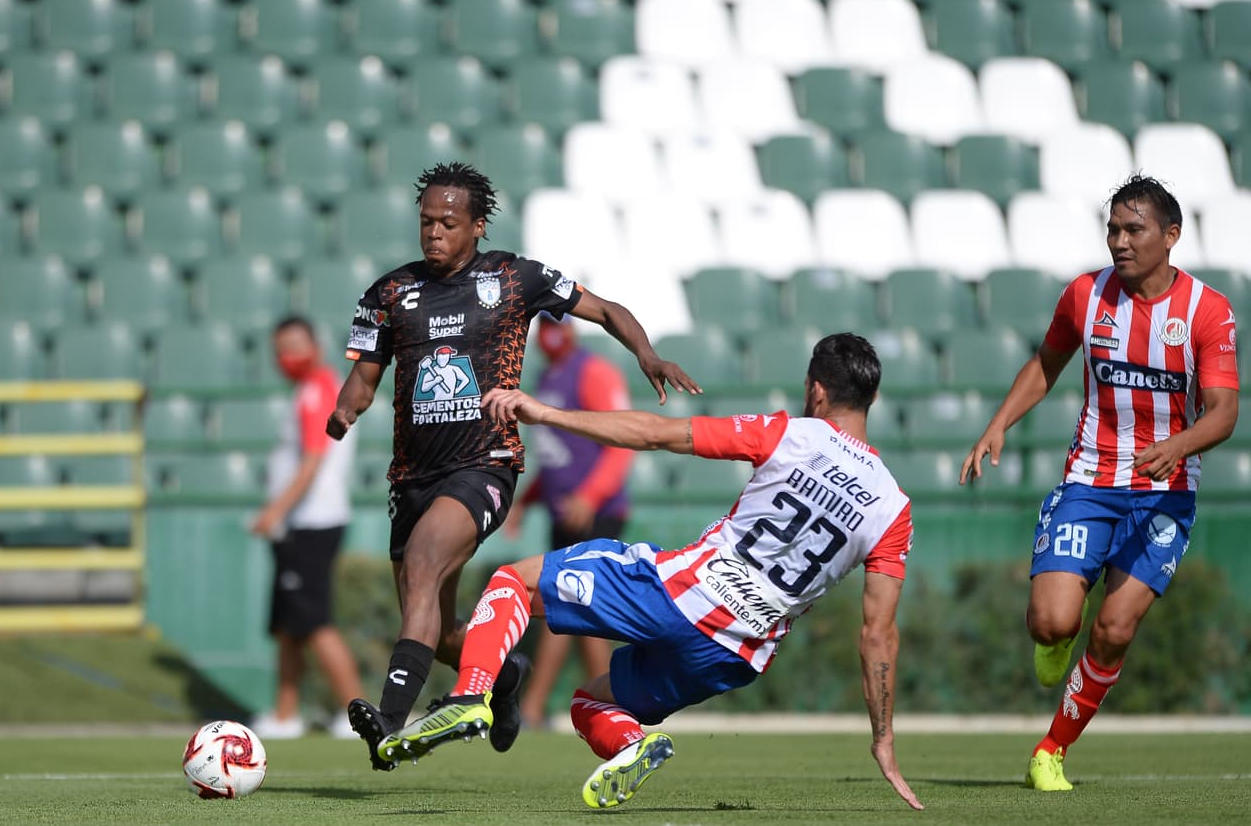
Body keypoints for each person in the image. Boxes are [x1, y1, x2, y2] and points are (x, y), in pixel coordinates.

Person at [383, 333, 924, 811]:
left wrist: (545, 413)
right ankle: (631, 745)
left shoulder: (791, 434)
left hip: (681, 595)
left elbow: (655, 434)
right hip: (735, 654)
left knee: (512, 581)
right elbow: (878, 634)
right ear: (872, 399)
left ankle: (470, 697)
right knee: (590, 702)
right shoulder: (892, 508)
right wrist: (883, 737)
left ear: (816, 391)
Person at [325, 162, 699, 772]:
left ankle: (391, 721)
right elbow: (362, 383)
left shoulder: (512, 277)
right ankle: (503, 677)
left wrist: (646, 352)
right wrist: (343, 414)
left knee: (423, 564)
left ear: (476, 226)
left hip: (485, 465)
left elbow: (603, 309)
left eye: (448, 223)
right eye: (426, 222)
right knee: (437, 629)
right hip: (410, 479)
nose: (434, 233)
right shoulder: (389, 294)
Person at [959, 175, 1240, 792]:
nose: (1119, 240)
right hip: (1091, 478)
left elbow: (1222, 412)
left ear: (1170, 236)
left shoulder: (1207, 311)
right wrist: (997, 426)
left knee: (1114, 629)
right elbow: (1045, 364)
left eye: (1133, 229)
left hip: (1165, 490)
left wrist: (1179, 445)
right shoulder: (1084, 295)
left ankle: (1051, 750)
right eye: (1112, 228)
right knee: (1053, 623)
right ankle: (1057, 634)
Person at [506, 313, 632, 729]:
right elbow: (556, 457)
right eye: (544, 327)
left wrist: (589, 496)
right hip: (565, 513)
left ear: (573, 330)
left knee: (579, 611)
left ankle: (596, 705)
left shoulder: (593, 372)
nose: (550, 335)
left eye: (558, 325)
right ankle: (581, 706)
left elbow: (621, 444)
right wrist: (526, 501)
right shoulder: (547, 379)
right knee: (569, 611)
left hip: (597, 513)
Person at [249, 315, 365, 740]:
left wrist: (275, 511)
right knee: (288, 626)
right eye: (281, 348)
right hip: (301, 523)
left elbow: (313, 461)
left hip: (311, 522)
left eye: (296, 345)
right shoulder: (309, 391)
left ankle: (357, 714)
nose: (288, 356)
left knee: (315, 622)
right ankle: (285, 713)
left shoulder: (318, 390)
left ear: (315, 344)